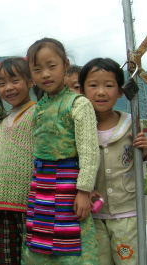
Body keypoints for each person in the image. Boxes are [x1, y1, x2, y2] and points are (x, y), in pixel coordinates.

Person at [23, 38, 100, 264]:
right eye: (37, 69)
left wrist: (84, 191)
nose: (45, 74)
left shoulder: (79, 104)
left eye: (51, 66)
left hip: (69, 185)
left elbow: (89, 152)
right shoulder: (38, 108)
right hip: (41, 184)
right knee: (39, 244)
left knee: (71, 245)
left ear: (65, 64)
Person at [79, 57, 147, 265]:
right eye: (93, 85)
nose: (101, 92)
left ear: (120, 91)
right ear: (82, 90)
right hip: (94, 216)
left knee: (129, 261)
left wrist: (144, 150)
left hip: (126, 213)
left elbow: (142, 159)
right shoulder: (80, 126)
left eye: (109, 85)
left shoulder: (131, 124)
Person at [0, 57, 35, 265]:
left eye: (15, 80)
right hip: (0, 201)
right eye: (2, 83)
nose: (9, 88)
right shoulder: (2, 121)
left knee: (34, 258)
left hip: (31, 201)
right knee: (5, 259)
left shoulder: (39, 112)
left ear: (30, 81)